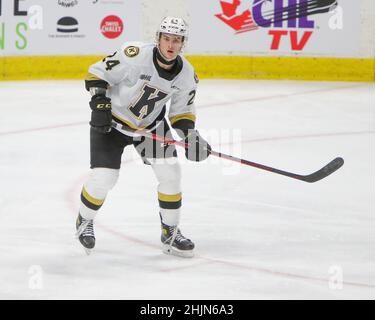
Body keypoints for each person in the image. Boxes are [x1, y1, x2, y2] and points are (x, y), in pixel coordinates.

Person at [76, 16, 211, 258]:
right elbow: (97, 73)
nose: (171, 45)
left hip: (151, 127)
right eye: (167, 38)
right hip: (112, 124)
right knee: (104, 178)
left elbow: (182, 112)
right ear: (158, 38)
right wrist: (99, 104)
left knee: (171, 174)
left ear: (183, 44)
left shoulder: (187, 74)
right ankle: (84, 221)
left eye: (177, 40)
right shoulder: (134, 54)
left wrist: (191, 136)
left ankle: (170, 231)